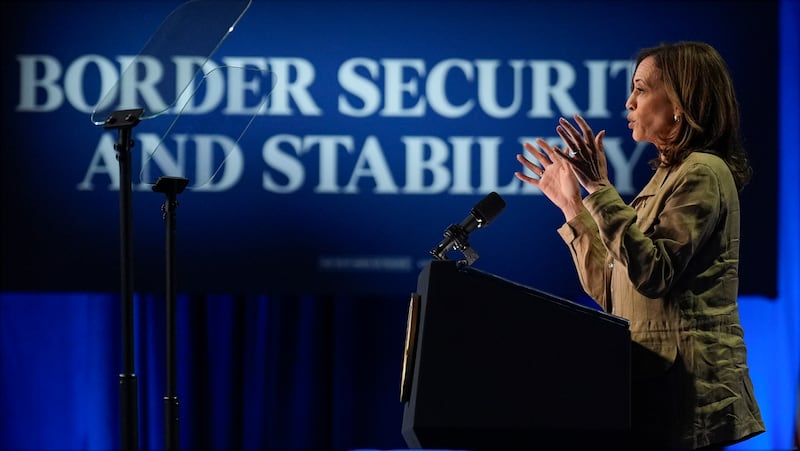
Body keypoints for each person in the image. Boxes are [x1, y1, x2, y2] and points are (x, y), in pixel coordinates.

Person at [514, 41, 766, 449]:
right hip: (653, 394)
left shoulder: (702, 172)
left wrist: (598, 188)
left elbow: (653, 274)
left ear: (680, 104)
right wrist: (572, 207)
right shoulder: (668, 176)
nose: (629, 102)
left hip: (688, 401)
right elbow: (614, 294)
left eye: (642, 89)